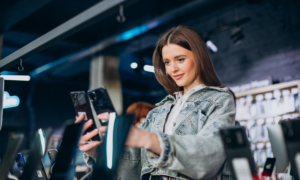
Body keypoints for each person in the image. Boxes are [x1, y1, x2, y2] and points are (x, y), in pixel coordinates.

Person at [75, 26, 236, 180]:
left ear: (199, 57)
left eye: (180, 59)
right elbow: (132, 168)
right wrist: (98, 152)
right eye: (167, 62)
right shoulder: (158, 112)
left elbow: (209, 155)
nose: (172, 69)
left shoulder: (219, 100)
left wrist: (150, 140)